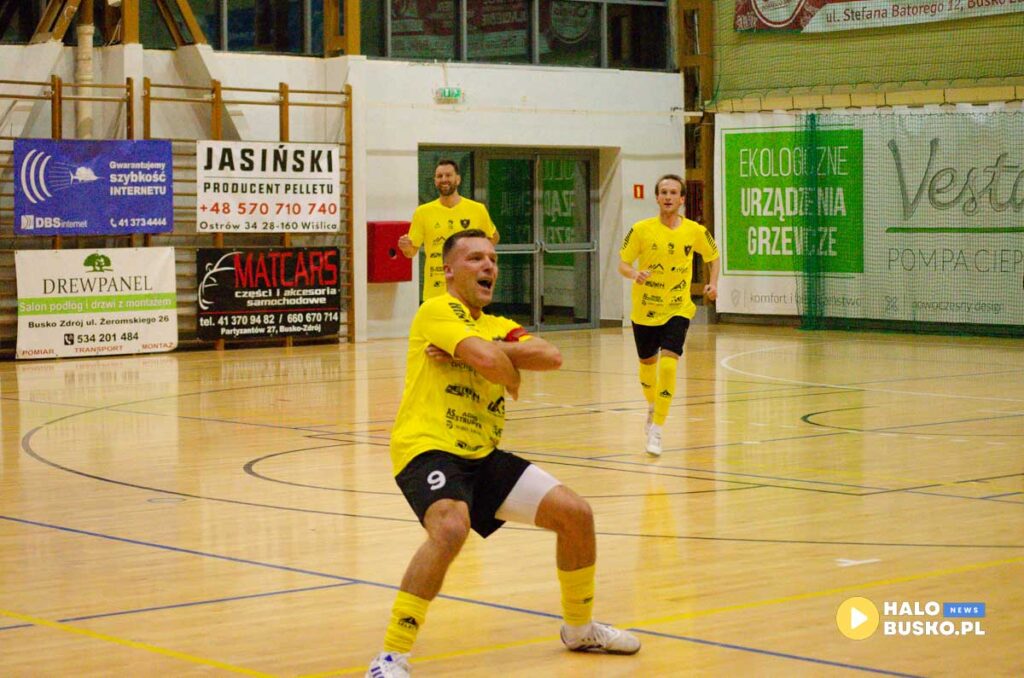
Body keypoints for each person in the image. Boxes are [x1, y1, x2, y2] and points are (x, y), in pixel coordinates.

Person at [367, 229, 640, 678]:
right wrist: (506, 366)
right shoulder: (438, 309)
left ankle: (579, 628)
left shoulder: (497, 325)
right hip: (428, 447)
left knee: (576, 514)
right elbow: (498, 365)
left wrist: (487, 355)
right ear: (448, 270)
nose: (489, 266)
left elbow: (550, 356)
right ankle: (391, 656)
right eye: (475, 258)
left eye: (492, 259)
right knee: (451, 527)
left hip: (482, 453)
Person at [618, 174, 719, 456]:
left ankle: (658, 429)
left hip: (677, 306)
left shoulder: (695, 230)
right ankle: (652, 405)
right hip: (646, 309)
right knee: (648, 366)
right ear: (657, 197)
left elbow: (713, 256)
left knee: (669, 365)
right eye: (663, 192)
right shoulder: (641, 229)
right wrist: (635, 274)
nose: (668, 197)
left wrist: (713, 283)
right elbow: (623, 264)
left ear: (682, 199)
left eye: (674, 192)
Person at [398, 159, 500, 301]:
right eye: (439, 176)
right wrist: (406, 247)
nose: (444, 179)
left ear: (457, 179)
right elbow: (411, 252)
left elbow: (493, 237)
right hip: (435, 293)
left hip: (467, 292)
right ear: (435, 181)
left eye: (448, 175)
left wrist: (477, 258)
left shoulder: (477, 209)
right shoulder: (423, 212)